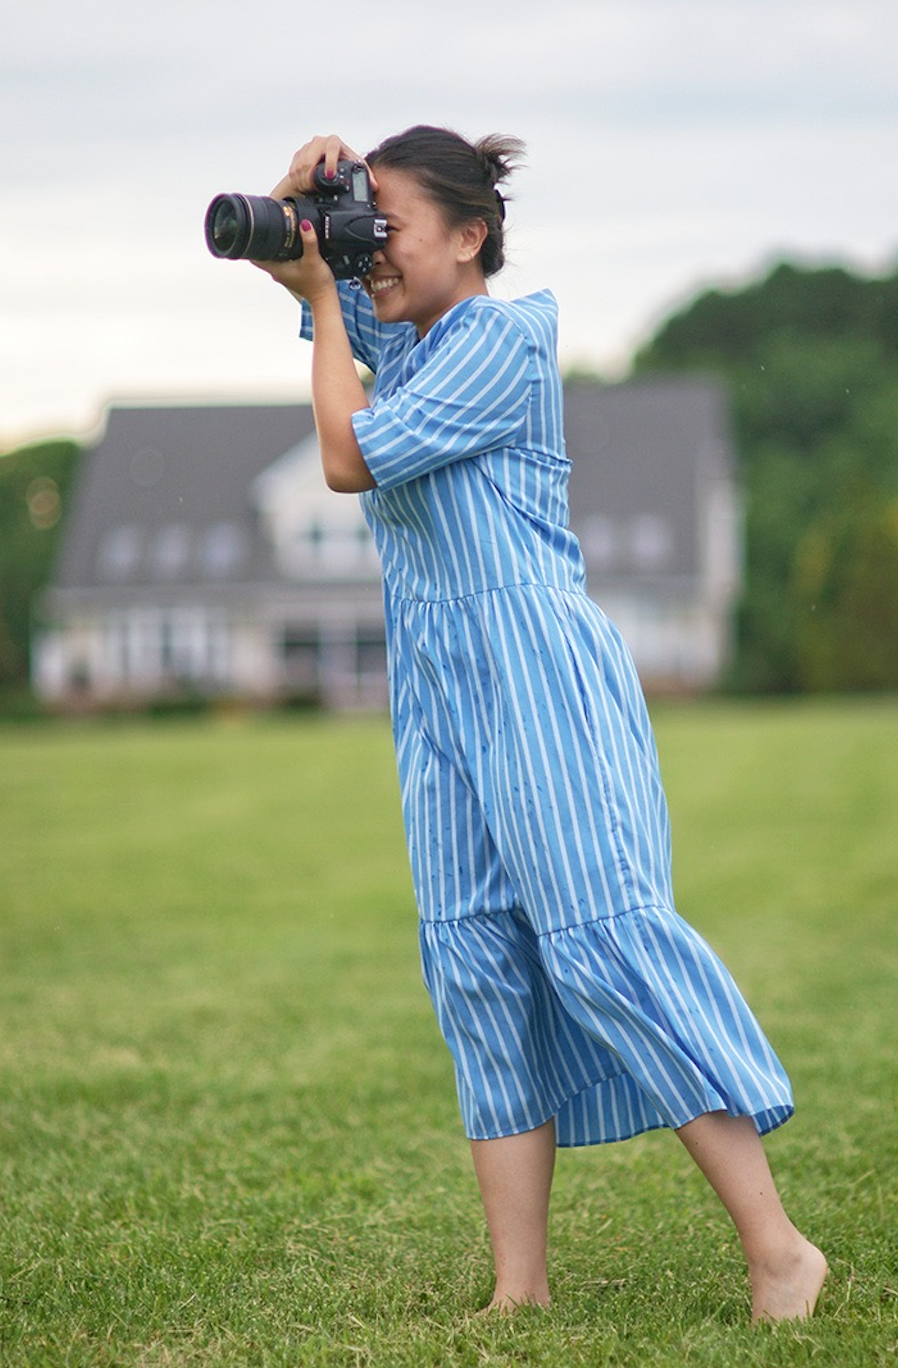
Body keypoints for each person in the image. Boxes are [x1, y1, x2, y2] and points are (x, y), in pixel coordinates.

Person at [251, 126, 827, 1323]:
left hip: (538, 676)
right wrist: (296, 215)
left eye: (387, 231)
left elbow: (347, 459)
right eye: (364, 237)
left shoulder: (501, 344)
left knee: (598, 938)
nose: (368, 258)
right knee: (475, 962)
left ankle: (781, 1252)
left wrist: (322, 294)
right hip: (440, 691)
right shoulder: (395, 343)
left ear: (469, 237)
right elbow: (300, 282)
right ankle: (519, 1290)